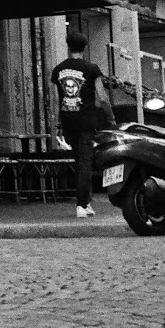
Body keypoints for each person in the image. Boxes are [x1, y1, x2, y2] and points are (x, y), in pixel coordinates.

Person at [51, 31, 110, 218]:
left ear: (68, 47)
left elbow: (55, 98)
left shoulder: (58, 70)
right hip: (86, 120)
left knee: (79, 161)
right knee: (86, 162)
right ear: (85, 48)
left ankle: (87, 202)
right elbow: (102, 97)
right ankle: (82, 204)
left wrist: (57, 120)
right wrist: (109, 116)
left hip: (68, 120)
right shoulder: (92, 69)